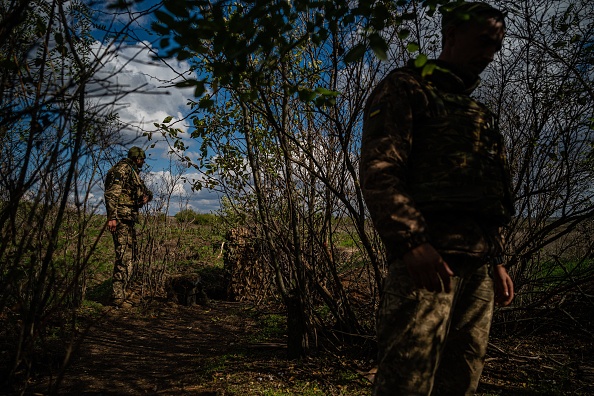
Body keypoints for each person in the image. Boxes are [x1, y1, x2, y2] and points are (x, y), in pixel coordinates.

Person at [359, 2, 516, 395]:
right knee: (406, 384)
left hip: (478, 270)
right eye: (483, 41)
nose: (489, 53)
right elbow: (381, 171)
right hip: (428, 266)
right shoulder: (405, 87)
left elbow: (484, 196)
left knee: (461, 381)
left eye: (496, 46)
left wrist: (495, 260)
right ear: (450, 35)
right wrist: (412, 242)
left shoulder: (478, 113)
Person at [104, 146, 153, 306]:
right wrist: (112, 217)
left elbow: (145, 192)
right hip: (121, 219)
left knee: (131, 257)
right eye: (142, 159)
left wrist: (146, 198)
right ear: (136, 158)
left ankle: (123, 293)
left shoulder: (133, 172)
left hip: (129, 218)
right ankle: (117, 297)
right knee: (124, 257)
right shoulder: (122, 170)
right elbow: (112, 194)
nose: (143, 162)